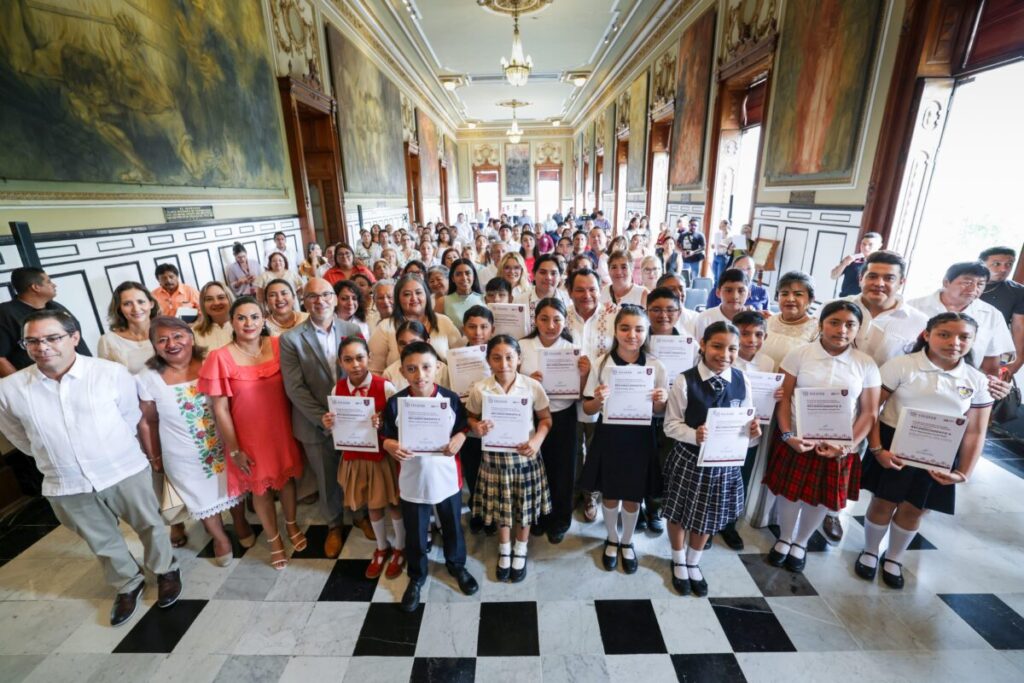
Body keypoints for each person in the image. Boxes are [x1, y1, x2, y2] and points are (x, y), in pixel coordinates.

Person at [0, 309, 181, 626]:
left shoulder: (109, 373)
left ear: (74, 337)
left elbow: (129, 416)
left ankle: (165, 569)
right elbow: (20, 437)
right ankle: (127, 582)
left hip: (123, 469)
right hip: (65, 481)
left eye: (52, 338)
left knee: (150, 524)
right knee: (101, 540)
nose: (43, 347)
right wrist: (58, 456)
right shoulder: (11, 389)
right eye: (32, 341)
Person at [856, 312, 992, 589]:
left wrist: (963, 472)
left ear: (973, 341)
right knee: (883, 502)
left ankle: (894, 557)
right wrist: (877, 449)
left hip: (940, 452)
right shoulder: (902, 366)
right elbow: (871, 410)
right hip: (893, 445)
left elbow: (976, 431)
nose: (954, 342)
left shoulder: (976, 380)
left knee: (915, 509)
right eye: (944, 334)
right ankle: (870, 550)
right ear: (927, 335)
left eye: (964, 337)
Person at [763, 301, 881, 573]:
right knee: (790, 494)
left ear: (858, 329)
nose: (842, 330)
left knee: (820, 498)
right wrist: (788, 435)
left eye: (850, 324)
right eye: (834, 322)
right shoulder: (800, 354)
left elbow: (869, 412)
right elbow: (784, 398)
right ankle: (785, 538)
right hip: (798, 440)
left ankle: (801, 542)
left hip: (838, 446)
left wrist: (846, 446)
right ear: (821, 324)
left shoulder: (865, 364)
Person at [199, 297, 306, 569]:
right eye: (242, 317)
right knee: (261, 489)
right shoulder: (220, 357)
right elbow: (220, 409)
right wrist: (235, 448)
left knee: (287, 480)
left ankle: (291, 524)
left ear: (264, 319)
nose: (249, 323)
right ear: (232, 322)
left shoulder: (279, 345)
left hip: (282, 428)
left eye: (255, 317)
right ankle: (274, 540)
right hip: (249, 436)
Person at [137, 317, 249, 567]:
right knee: (200, 496)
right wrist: (154, 457)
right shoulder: (147, 377)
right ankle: (220, 538)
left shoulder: (211, 362)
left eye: (178, 336)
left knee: (232, 486)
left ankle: (240, 521)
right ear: (154, 346)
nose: (171, 344)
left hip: (222, 443)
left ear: (191, 337)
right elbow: (148, 421)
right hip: (181, 453)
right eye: (162, 340)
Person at [663, 321, 760, 596]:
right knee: (678, 511)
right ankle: (678, 558)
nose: (725, 355)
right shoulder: (685, 381)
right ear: (703, 345)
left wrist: (753, 431)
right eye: (717, 346)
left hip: (723, 464)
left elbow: (746, 422)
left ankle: (693, 561)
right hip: (689, 459)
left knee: (709, 514)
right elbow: (670, 425)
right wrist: (694, 434)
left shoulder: (742, 380)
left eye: (732, 349)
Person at [381, 341, 479, 612]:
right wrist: (389, 444)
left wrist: (460, 437)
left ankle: (456, 565)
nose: (419, 375)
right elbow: (385, 435)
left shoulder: (450, 399)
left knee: (452, 525)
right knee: (415, 531)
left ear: (437, 368)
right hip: (413, 479)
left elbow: (462, 428)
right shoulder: (395, 404)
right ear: (402, 371)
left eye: (426, 367)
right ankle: (416, 576)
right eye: (411, 369)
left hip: (446, 477)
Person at [279, 279, 363, 556]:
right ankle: (334, 525)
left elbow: (361, 372)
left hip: (352, 419)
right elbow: (294, 387)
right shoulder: (291, 339)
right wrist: (321, 417)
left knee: (356, 470)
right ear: (303, 301)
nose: (320, 301)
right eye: (312, 296)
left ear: (335, 298)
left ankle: (360, 515)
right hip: (313, 422)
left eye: (326, 294)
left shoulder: (352, 330)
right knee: (326, 479)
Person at [581, 306, 668, 574]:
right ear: (615, 330)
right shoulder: (602, 363)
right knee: (610, 492)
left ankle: (627, 541)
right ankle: (611, 538)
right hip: (610, 435)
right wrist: (598, 399)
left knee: (632, 494)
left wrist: (661, 401)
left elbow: (660, 411)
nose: (632, 334)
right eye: (625, 328)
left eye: (639, 329)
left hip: (640, 437)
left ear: (647, 332)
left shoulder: (655, 365)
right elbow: (587, 408)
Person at [468, 335, 553, 581]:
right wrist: (476, 427)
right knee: (501, 504)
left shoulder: (532, 386)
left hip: (525, 456)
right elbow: (470, 417)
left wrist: (537, 441)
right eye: (496, 358)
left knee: (524, 505)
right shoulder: (480, 388)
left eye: (509, 357)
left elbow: (546, 419)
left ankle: (521, 547)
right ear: (488, 360)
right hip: (494, 459)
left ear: (519, 359)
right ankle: (504, 547)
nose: (503, 363)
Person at [321, 336, 406, 579]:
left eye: (360, 358)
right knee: (372, 505)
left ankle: (400, 547)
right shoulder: (337, 390)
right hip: (356, 457)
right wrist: (328, 423)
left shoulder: (385, 387)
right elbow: (337, 427)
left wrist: (383, 422)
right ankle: (382, 546)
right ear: (340, 362)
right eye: (348, 360)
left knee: (394, 503)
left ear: (369, 357)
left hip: (382, 457)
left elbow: (399, 424)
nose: (355, 364)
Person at [519, 298, 587, 543]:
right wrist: (529, 381)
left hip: (563, 415)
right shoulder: (522, 346)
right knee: (534, 469)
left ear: (565, 322)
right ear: (535, 320)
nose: (550, 325)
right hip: (531, 417)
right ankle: (537, 518)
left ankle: (559, 520)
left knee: (562, 470)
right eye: (544, 319)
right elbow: (510, 382)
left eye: (557, 319)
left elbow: (580, 395)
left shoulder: (572, 349)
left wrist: (584, 374)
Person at [718, 311, 777, 550]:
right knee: (717, 477)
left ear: (766, 337)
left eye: (758, 334)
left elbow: (767, 398)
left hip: (750, 434)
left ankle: (730, 524)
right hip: (723, 431)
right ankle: (709, 521)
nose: (752, 340)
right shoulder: (723, 359)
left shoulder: (768, 363)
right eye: (745, 333)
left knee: (740, 479)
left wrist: (776, 394)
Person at [566, 268, 618, 522]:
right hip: (567, 397)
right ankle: (574, 490)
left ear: (600, 290)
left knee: (597, 448)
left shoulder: (614, 316)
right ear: (569, 291)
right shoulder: (562, 316)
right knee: (573, 448)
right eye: (579, 289)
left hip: (602, 396)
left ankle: (592, 494)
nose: (586, 295)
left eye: (592, 289)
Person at [907, 261, 1015, 374]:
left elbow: (992, 358)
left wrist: (989, 381)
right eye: (967, 283)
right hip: (912, 374)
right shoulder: (913, 307)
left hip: (964, 380)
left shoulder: (991, 315)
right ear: (946, 282)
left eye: (980, 284)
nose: (973, 289)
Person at [0, 267, 90, 377]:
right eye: (48, 282)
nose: (54, 285)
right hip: (41, 381)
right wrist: (19, 384)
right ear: (35, 287)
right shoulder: (5, 314)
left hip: (83, 373)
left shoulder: (56, 307)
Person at [368, 274, 462, 373]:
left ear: (426, 295)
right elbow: (374, 370)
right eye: (407, 294)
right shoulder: (385, 327)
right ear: (398, 298)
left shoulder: (443, 321)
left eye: (418, 292)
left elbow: (461, 358)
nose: (414, 298)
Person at [979, 246, 1024, 383]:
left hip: (993, 351)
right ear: (982, 263)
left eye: (1009, 264)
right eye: (997, 264)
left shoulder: (1018, 291)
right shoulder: (966, 283)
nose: (1004, 269)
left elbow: (1019, 328)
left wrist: (1015, 363)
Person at [761, 271, 820, 371]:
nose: (790, 299)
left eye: (798, 294)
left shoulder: (816, 330)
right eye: (784, 294)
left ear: (811, 299)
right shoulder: (767, 321)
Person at [97, 281, 158, 374]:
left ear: (151, 304)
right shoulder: (107, 341)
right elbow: (107, 377)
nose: (136, 309)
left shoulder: (168, 333)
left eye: (141, 302)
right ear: (119, 309)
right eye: (127, 304)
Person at [381, 319, 451, 392]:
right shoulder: (389, 374)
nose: (408, 348)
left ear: (427, 343)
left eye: (414, 343)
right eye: (403, 344)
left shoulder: (442, 370)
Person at [694, 269, 751, 340]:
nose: (735, 296)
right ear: (718, 292)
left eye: (741, 291)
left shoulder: (753, 321)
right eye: (728, 290)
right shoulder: (705, 318)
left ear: (748, 294)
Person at [516, 254, 571, 322]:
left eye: (553, 273)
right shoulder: (519, 301)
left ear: (560, 276)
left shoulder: (568, 301)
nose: (548, 277)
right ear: (534, 274)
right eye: (543, 272)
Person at [830, 232, 882, 297]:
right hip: (845, 298)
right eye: (863, 244)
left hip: (866, 300)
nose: (866, 247)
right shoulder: (852, 259)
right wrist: (843, 264)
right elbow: (833, 276)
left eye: (870, 244)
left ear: (879, 245)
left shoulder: (882, 265)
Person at [439, 259, 485, 327]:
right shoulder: (442, 302)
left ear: (474, 276)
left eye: (467, 273)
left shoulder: (484, 299)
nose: (464, 278)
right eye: (458, 274)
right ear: (453, 278)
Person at [192, 282, 234, 350]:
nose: (216, 303)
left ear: (230, 299)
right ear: (203, 304)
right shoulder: (195, 333)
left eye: (221, 297)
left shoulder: (244, 327)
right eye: (209, 299)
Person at [712, 220, 732, 285]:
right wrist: (713, 245)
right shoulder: (718, 234)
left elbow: (731, 249)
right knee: (715, 277)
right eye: (720, 225)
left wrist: (723, 245)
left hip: (723, 257)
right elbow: (714, 245)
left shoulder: (731, 236)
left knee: (719, 278)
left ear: (727, 226)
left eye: (723, 225)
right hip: (715, 255)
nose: (721, 227)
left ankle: (719, 290)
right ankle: (715, 290)